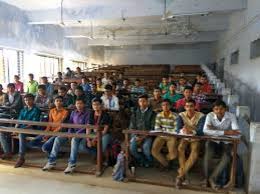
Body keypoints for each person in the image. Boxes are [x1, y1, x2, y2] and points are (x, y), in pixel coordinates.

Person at [42, 98, 89, 171]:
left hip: (81, 133)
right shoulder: (73, 112)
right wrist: (70, 133)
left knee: (74, 140)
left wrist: (75, 134)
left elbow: (86, 126)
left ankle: (72, 164)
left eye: (80, 103)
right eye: (77, 104)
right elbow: (69, 123)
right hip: (70, 132)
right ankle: (51, 161)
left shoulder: (87, 113)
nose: (79, 105)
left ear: (84, 104)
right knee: (58, 138)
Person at [203, 100, 240, 190]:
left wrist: (215, 129)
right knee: (208, 156)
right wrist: (226, 132)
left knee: (227, 156)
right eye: (216, 109)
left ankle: (212, 178)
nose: (219, 111)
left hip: (226, 141)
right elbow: (206, 131)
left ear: (225, 109)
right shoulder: (209, 115)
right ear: (213, 110)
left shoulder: (231, 116)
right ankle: (206, 179)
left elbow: (237, 132)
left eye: (221, 109)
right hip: (213, 140)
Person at [175, 99, 205, 188]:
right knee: (180, 148)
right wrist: (183, 130)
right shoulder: (181, 115)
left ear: (195, 107)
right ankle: (183, 174)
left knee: (195, 150)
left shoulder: (201, 116)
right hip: (184, 137)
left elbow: (201, 131)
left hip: (195, 138)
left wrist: (191, 131)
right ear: (185, 107)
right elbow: (177, 129)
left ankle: (181, 175)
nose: (189, 108)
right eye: (187, 106)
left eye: (191, 106)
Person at [14, 93, 41, 168]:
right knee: (4, 132)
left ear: (33, 100)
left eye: (29, 99)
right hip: (21, 129)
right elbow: (19, 121)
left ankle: (21, 157)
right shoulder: (23, 109)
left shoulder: (36, 110)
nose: (27, 101)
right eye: (25, 100)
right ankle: (8, 152)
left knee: (21, 133)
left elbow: (32, 124)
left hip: (32, 130)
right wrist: (15, 129)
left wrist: (19, 130)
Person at [129, 94, 156, 167]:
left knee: (146, 148)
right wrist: (136, 136)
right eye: (140, 101)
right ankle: (142, 160)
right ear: (138, 102)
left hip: (148, 135)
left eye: (144, 101)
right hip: (136, 135)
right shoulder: (135, 112)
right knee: (132, 149)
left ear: (147, 102)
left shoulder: (152, 113)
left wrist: (143, 137)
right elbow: (132, 126)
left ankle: (149, 161)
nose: (142, 103)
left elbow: (152, 128)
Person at [151, 99, 178, 169]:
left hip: (172, 136)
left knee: (173, 154)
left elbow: (176, 129)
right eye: (163, 105)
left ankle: (164, 162)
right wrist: (164, 131)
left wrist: (164, 130)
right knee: (154, 151)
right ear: (161, 107)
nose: (165, 106)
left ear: (170, 106)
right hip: (161, 136)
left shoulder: (175, 116)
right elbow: (157, 127)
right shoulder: (159, 115)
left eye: (167, 105)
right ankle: (166, 164)